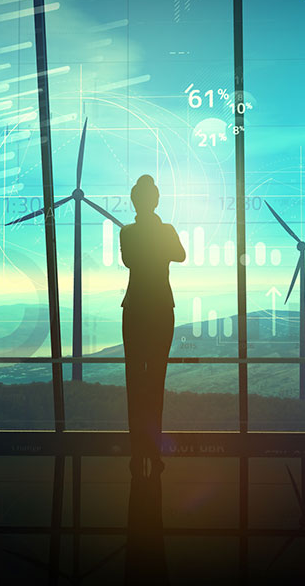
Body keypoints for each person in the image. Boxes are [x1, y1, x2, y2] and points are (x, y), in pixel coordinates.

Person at [119, 174, 186, 476]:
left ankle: (139, 452)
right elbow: (178, 255)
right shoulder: (164, 231)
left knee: (136, 382)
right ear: (155, 201)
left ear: (136, 201)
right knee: (155, 382)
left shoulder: (128, 232)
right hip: (159, 309)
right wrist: (159, 240)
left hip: (136, 310)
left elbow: (133, 260)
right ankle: (150, 452)